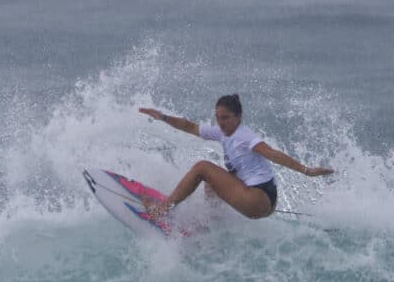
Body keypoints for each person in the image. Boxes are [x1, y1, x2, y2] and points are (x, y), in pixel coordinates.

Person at [138, 94, 334, 219]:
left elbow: (272, 154)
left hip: (257, 199)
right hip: (264, 200)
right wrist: (163, 117)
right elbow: (190, 126)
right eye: (218, 118)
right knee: (211, 182)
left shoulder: (244, 136)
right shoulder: (222, 132)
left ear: (238, 117)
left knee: (202, 168)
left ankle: (162, 210)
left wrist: (306, 171)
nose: (221, 122)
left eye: (226, 118)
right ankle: (213, 224)